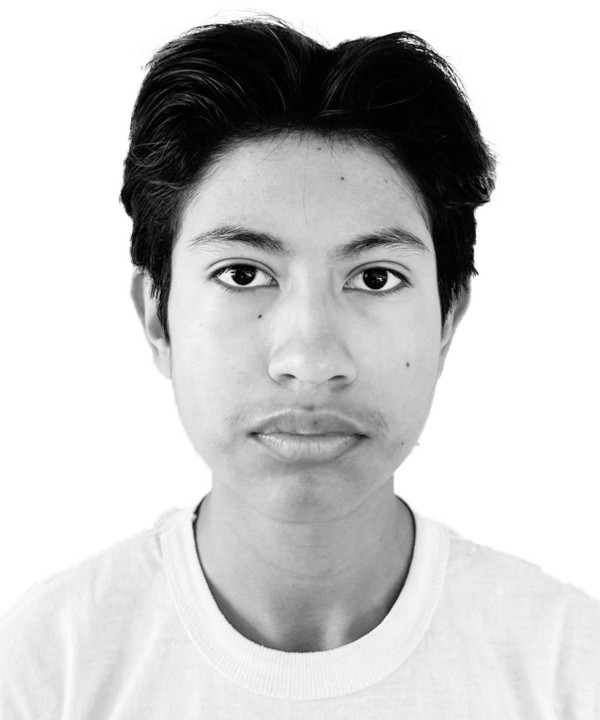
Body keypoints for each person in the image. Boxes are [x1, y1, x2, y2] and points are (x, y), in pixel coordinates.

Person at [1, 15, 598, 718]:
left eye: (374, 278)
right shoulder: (46, 670)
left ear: (447, 319)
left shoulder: (568, 670)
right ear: (157, 316)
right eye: (243, 273)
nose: (310, 362)